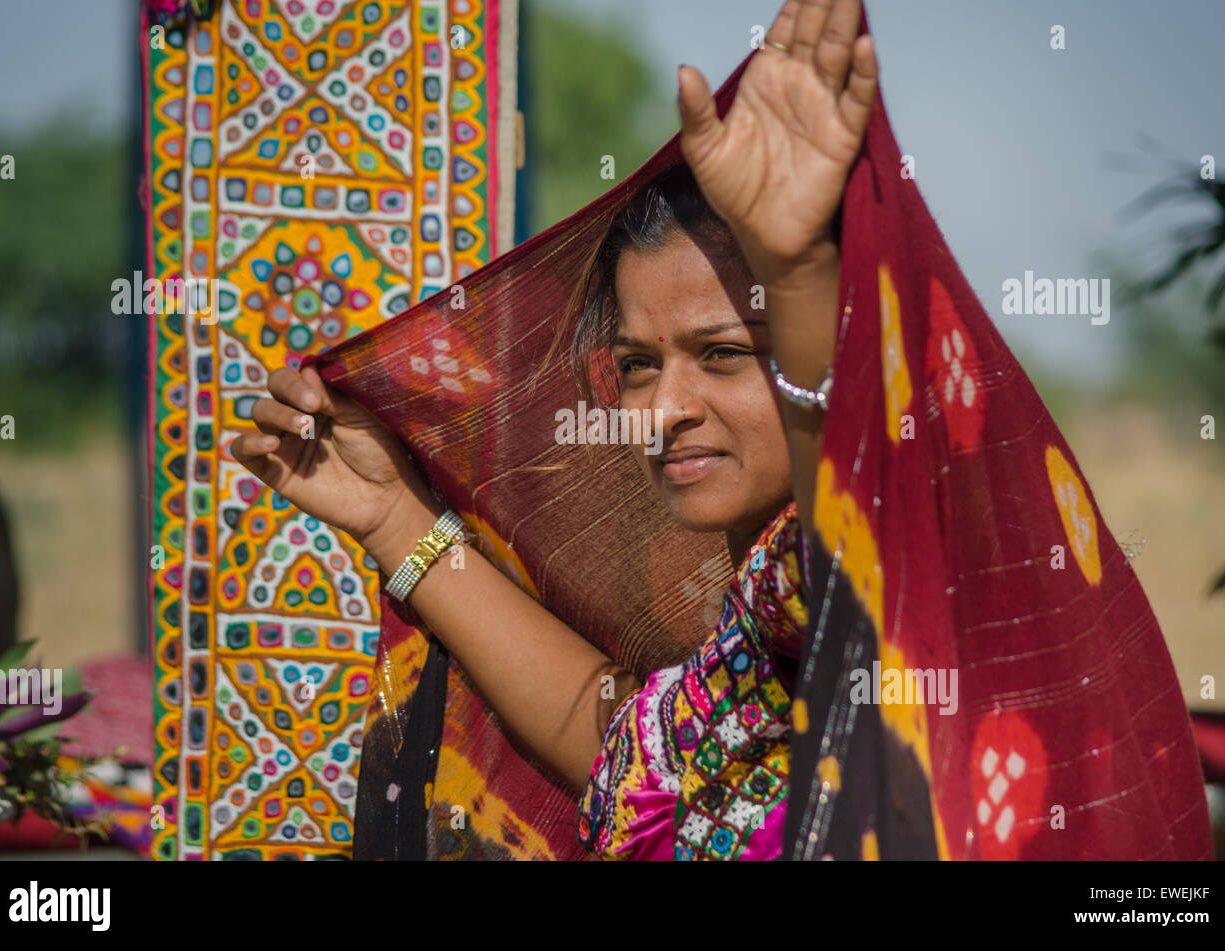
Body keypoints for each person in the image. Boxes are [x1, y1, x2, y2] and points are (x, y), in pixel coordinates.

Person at [231, 0, 877, 860]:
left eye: (723, 354)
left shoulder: (866, 577)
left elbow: (846, 536)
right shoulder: (748, 641)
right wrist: (396, 519)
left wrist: (799, 282)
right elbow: (626, 748)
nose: (661, 409)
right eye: (638, 365)